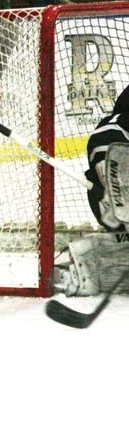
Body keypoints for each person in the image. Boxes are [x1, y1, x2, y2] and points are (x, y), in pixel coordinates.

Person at [53, 85, 129, 297]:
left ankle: (90, 259)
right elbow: (111, 172)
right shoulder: (113, 130)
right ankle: (83, 262)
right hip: (115, 209)